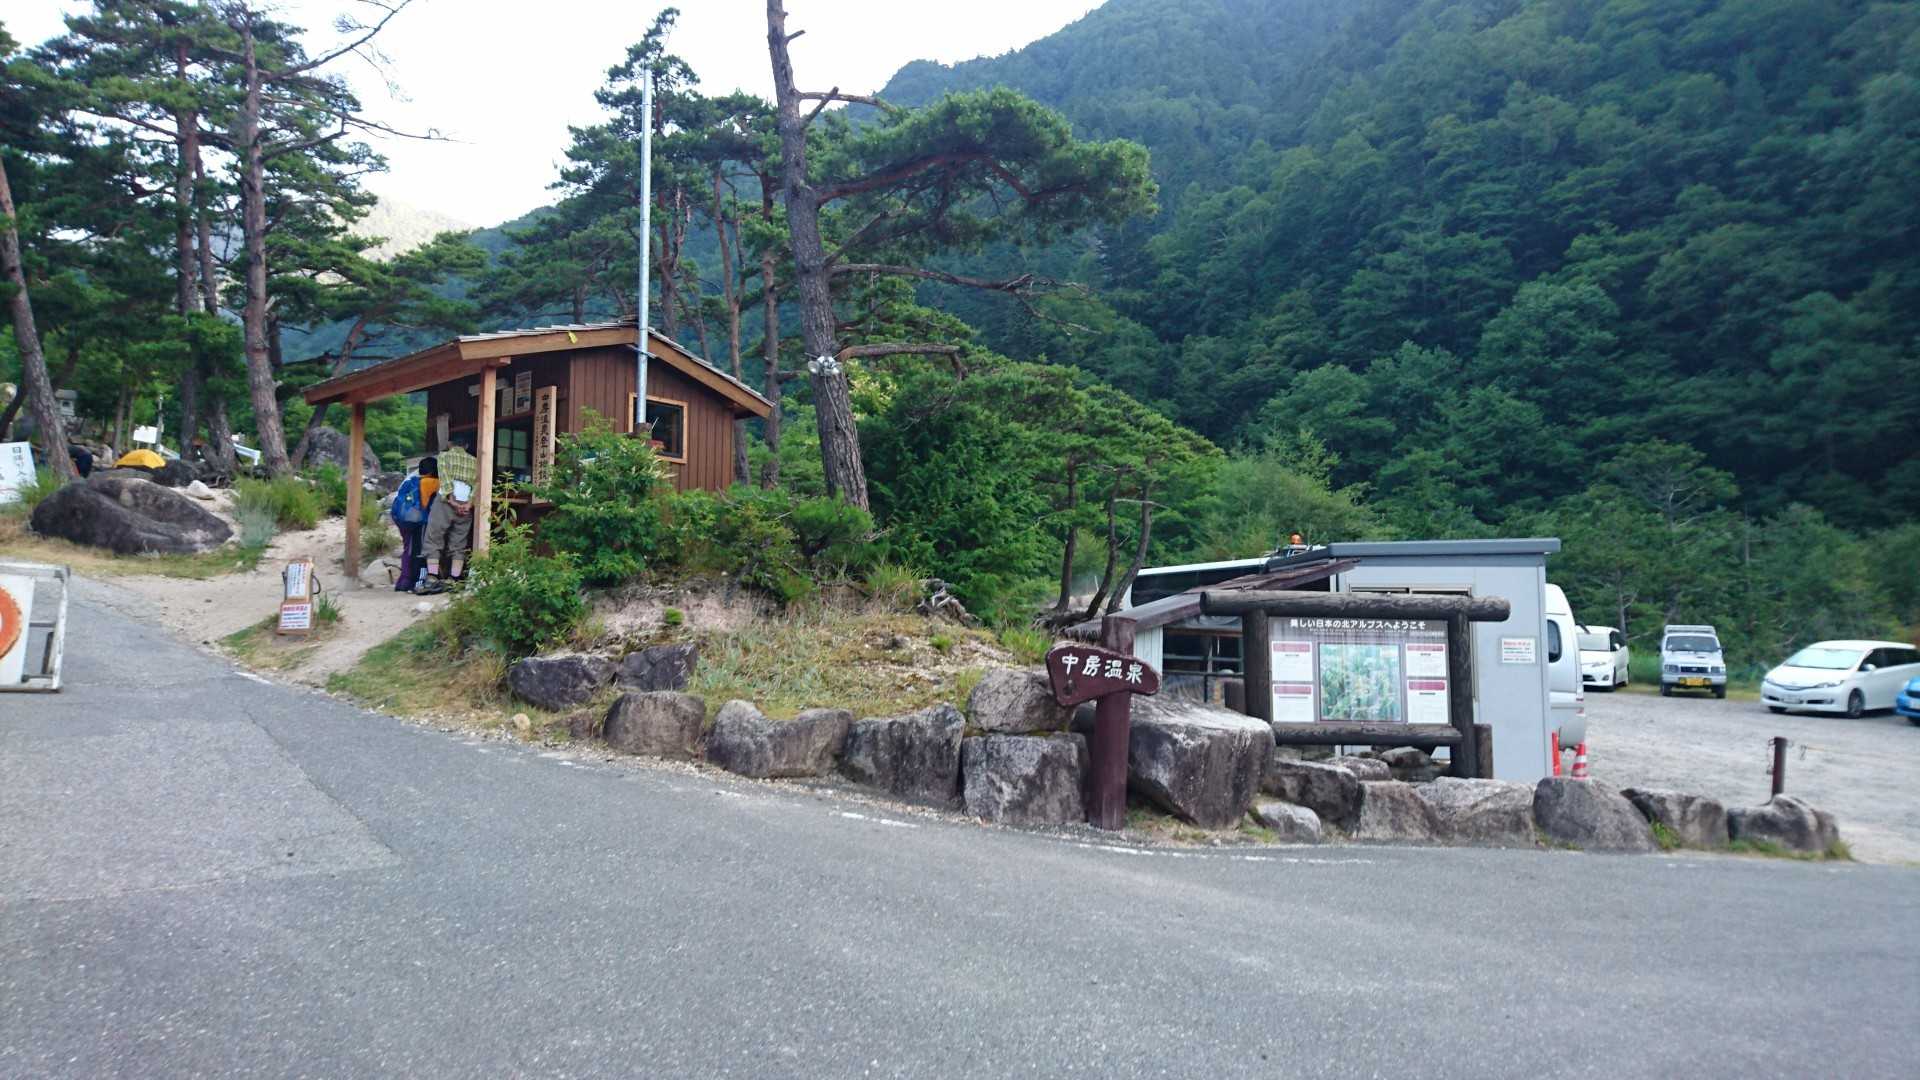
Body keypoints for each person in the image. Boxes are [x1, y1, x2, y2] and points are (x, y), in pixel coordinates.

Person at [417, 477, 472, 594]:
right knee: (459, 543)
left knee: (433, 539)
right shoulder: (477, 466)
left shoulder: (446, 461)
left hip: (446, 499)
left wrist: (451, 499)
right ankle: (454, 580)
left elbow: (444, 475)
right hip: (467, 501)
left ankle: (432, 578)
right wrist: (470, 502)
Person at [391, 457, 438, 593]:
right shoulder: (432, 482)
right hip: (419, 521)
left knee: (408, 549)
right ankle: (417, 581)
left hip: (402, 519)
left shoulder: (409, 480)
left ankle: (404, 581)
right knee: (419, 551)